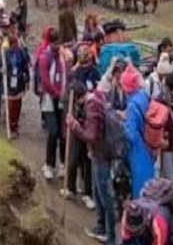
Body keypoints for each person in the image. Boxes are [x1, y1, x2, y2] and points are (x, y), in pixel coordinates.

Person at [67, 76, 118, 245]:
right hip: (99, 154)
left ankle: (110, 236)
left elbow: (91, 136)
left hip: (101, 156)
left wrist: (75, 126)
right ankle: (100, 226)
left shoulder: (92, 108)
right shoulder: (97, 97)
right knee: (97, 193)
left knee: (105, 196)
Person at [122, 64, 155, 198]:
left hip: (137, 149)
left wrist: (121, 123)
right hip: (148, 144)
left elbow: (131, 135)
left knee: (139, 186)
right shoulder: (143, 96)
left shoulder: (132, 105)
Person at [39, 30, 68, 180]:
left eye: (60, 43)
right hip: (50, 99)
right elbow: (45, 81)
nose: (58, 46)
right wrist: (56, 93)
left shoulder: (62, 56)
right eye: (55, 44)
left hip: (62, 99)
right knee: (53, 131)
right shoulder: (45, 58)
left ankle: (63, 163)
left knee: (63, 133)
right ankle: (49, 164)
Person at [62, 80, 95, 210]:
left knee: (87, 164)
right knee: (72, 161)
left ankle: (88, 193)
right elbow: (65, 119)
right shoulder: (69, 103)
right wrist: (67, 130)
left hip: (86, 136)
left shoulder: (90, 104)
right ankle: (70, 188)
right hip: (75, 136)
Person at [3, 30, 30, 138]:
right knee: (10, 104)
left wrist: (27, 80)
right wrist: (2, 70)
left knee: (17, 104)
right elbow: (0, 67)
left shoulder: (21, 53)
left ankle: (15, 124)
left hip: (18, 81)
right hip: (9, 81)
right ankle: (10, 125)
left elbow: (25, 67)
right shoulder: (5, 53)